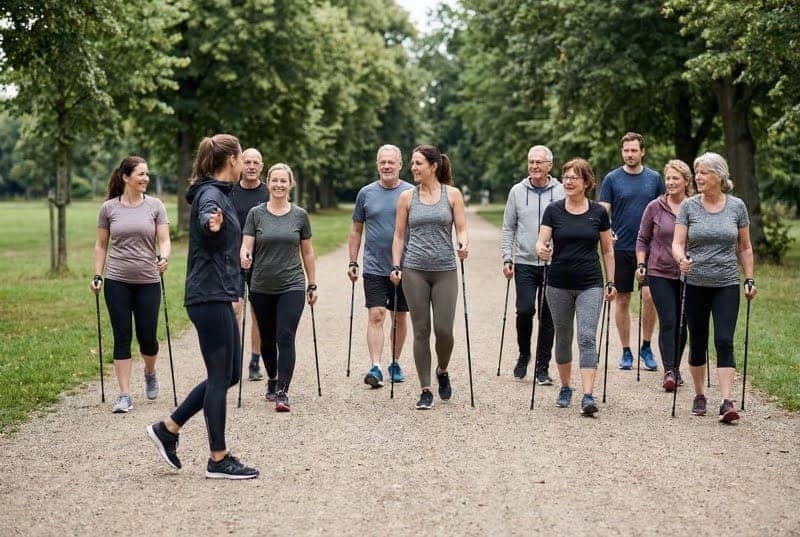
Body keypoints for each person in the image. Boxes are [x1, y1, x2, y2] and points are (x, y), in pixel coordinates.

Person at [147, 133, 258, 480]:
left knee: (229, 375)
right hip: (208, 294)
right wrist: (211, 224)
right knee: (220, 375)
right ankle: (218, 458)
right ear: (231, 161)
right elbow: (207, 221)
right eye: (240, 157)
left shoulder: (217, 193)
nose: (243, 162)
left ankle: (169, 427)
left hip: (218, 292)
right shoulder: (212, 196)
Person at [672, 152, 756, 423]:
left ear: (719, 176)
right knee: (697, 343)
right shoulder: (689, 206)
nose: (698, 177)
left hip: (727, 283)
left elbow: (745, 247)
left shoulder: (736, 207)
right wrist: (681, 258)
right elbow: (677, 243)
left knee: (723, 340)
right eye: (696, 172)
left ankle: (726, 400)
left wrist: (749, 278)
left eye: (704, 172)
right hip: (695, 282)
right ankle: (699, 395)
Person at [390, 144, 468, 410]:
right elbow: (399, 235)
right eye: (412, 163)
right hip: (414, 270)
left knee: (444, 330)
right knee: (421, 330)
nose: (413, 168)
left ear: (433, 166)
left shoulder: (453, 195)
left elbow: (462, 229)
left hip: (445, 269)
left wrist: (463, 244)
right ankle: (425, 389)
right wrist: (396, 264)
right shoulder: (407, 198)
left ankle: (442, 370)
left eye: (418, 163)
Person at [536, 158, 616, 416]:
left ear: (587, 183)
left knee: (586, 336)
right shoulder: (553, 210)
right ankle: (566, 386)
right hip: (557, 283)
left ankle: (588, 394)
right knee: (563, 336)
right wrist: (542, 250)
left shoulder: (598, 213)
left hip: (590, 283)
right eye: (566, 177)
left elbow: (607, 249)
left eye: (575, 178)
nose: (569, 182)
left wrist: (611, 281)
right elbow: (541, 241)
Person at [91, 156, 170, 413]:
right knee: (121, 336)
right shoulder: (109, 208)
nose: (145, 178)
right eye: (141, 174)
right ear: (126, 177)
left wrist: (164, 257)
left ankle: (149, 371)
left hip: (147, 280)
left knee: (147, 337)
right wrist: (98, 275)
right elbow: (101, 245)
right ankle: (124, 394)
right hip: (116, 281)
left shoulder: (156, 206)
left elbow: (165, 240)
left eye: (147, 174)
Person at [241, 163, 317, 412]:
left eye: (283, 181)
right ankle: (272, 378)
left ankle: (283, 391)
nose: (279, 185)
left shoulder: (299, 215)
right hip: (261, 284)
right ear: (268, 182)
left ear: (290, 184)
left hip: (292, 284)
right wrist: (245, 255)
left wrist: (312, 283)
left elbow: (307, 252)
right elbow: (247, 244)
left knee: (285, 336)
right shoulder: (256, 214)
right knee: (267, 338)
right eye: (275, 180)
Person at [348, 145, 414, 388]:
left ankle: (395, 361)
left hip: (405, 267)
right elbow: (356, 229)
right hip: (374, 266)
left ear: (400, 165)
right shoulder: (365, 194)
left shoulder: (411, 192)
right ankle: (375, 367)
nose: (386, 166)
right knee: (376, 314)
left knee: (399, 316)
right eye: (382, 162)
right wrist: (353, 260)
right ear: (377, 165)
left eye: (391, 162)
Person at [599, 132, 664, 371]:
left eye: (634, 150)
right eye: (626, 151)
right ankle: (626, 351)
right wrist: (606, 231)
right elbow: (603, 211)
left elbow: (662, 210)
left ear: (642, 152)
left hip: (649, 249)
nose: (630, 155)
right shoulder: (612, 179)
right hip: (621, 247)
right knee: (622, 299)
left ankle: (646, 347)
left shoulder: (654, 178)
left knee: (649, 297)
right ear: (622, 152)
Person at [501, 145, 565, 384]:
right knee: (525, 309)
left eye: (539, 162)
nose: (534, 166)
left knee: (548, 316)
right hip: (525, 262)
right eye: (531, 162)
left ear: (550, 165)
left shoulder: (561, 191)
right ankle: (524, 353)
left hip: (552, 263)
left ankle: (542, 366)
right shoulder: (517, 191)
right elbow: (509, 227)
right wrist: (507, 257)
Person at [636, 160, 693, 391]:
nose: (670, 182)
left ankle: (676, 367)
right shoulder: (655, 206)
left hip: (689, 274)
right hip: (659, 271)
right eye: (668, 178)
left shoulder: (695, 206)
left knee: (683, 323)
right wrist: (641, 265)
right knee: (669, 319)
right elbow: (642, 239)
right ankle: (669, 370)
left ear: (686, 182)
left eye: (675, 178)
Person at [231, 147, 268, 381]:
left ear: (262, 166)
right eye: (248, 162)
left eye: (256, 163)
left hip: (261, 260)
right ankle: (233, 358)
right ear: (240, 164)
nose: (252, 166)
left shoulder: (268, 192)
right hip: (233, 260)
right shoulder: (230, 192)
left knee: (258, 313)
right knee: (234, 309)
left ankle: (255, 360)